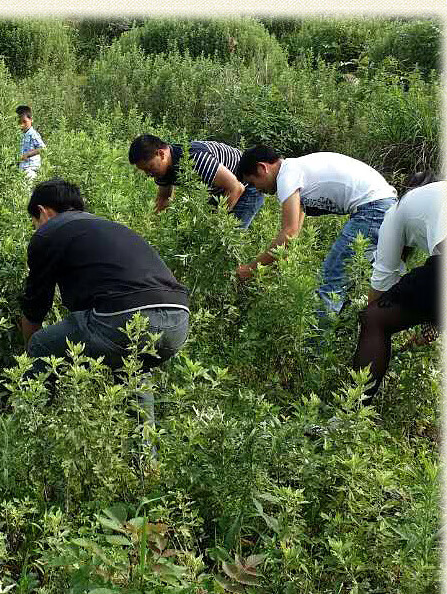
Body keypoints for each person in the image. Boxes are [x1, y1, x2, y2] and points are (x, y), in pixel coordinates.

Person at [19, 178, 190, 393]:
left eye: (34, 222)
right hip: (178, 321)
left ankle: (31, 419)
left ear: (42, 211)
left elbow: (35, 308)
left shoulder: (49, 232)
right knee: (132, 368)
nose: (36, 228)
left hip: (124, 317)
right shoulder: (109, 226)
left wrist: (30, 351)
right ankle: (144, 427)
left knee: (41, 344)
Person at [236, 145, 396, 318]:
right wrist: (277, 267)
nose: (257, 189)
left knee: (329, 285)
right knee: (353, 281)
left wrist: (249, 269)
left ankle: (317, 344)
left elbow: (289, 232)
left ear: (262, 168)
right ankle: (347, 333)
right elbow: (293, 237)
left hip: (372, 209)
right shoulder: (295, 171)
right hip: (384, 206)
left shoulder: (286, 175)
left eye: (253, 183)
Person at [352, 173, 444, 399]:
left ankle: (353, 413)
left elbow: (383, 277)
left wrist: (370, 330)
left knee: (374, 319)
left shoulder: (399, 208)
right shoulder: (440, 195)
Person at [128, 134, 264, 228]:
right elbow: (163, 199)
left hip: (247, 185)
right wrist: (152, 228)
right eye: (145, 171)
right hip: (219, 189)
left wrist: (215, 224)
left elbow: (236, 188)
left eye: (149, 168)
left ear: (161, 154)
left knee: (227, 238)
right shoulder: (162, 170)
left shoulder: (195, 158)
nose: (149, 174)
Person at [16, 105, 46, 182]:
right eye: (19, 122)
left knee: (27, 191)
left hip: (30, 169)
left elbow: (43, 148)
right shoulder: (21, 134)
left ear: (31, 120)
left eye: (24, 121)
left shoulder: (32, 134)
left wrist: (28, 154)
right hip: (22, 168)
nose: (22, 125)